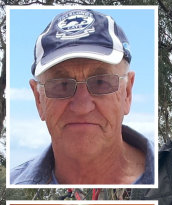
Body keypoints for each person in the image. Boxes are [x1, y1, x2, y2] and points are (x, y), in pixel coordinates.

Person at [10, 9, 154, 185]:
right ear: (39, 100)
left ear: (127, 93)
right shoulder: (12, 185)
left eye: (101, 82)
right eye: (62, 85)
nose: (82, 106)